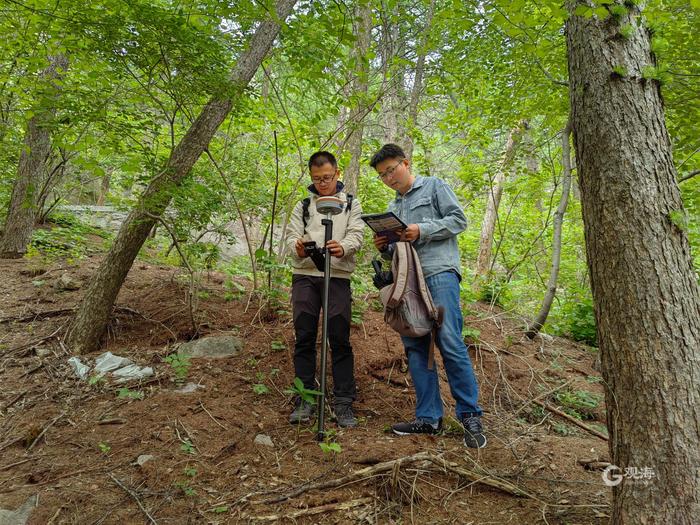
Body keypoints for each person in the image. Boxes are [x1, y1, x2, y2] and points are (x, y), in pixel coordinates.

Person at [370, 143, 486, 448]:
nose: (389, 178)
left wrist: (422, 229)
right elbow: (396, 250)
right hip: (406, 282)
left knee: (448, 340)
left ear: (406, 163)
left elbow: (459, 220)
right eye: (382, 175)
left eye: (392, 170)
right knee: (416, 345)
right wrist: (385, 245)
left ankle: (470, 416)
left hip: (439, 274)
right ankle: (428, 418)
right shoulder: (393, 209)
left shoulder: (434, 186)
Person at [285, 151, 364, 428]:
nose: (322, 183)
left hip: (338, 276)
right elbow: (292, 235)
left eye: (327, 178)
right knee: (304, 335)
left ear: (337, 173)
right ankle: (305, 397)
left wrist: (343, 247)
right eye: (317, 179)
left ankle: (343, 401)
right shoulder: (304, 204)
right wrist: (297, 246)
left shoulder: (351, 203)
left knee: (339, 337)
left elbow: (357, 233)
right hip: (305, 274)